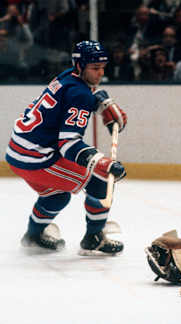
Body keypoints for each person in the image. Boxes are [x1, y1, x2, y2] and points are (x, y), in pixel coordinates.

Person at [6, 40, 128, 255]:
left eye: (102, 68)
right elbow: (68, 145)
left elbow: (68, 102)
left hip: (18, 152)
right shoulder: (79, 94)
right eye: (95, 68)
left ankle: (33, 235)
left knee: (57, 196)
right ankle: (94, 238)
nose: (100, 74)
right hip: (38, 158)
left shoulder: (67, 76)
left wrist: (96, 103)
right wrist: (101, 161)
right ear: (80, 67)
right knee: (101, 179)